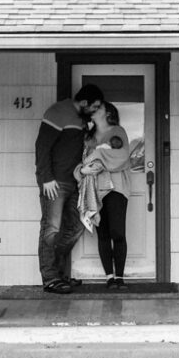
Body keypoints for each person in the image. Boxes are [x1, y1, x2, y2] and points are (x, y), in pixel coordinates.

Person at [35, 84, 104, 294]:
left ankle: (59, 272)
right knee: (51, 229)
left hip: (77, 182)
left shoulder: (82, 120)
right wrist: (46, 178)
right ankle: (50, 278)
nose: (95, 110)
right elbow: (42, 146)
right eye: (94, 106)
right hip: (55, 182)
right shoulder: (58, 112)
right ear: (83, 103)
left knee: (76, 227)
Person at [76, 101, 132, 290]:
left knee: (118, 232)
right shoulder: (88, 137)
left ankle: (120, 277)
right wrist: (82, 170)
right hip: (94, 190)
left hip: (116, 188)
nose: (93, 112)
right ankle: (109, 277)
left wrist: (97, 155)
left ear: (107, 113)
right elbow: (81, 162)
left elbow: (121, 157)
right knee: (103, 234)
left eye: (98, 109)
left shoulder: (118, 131)